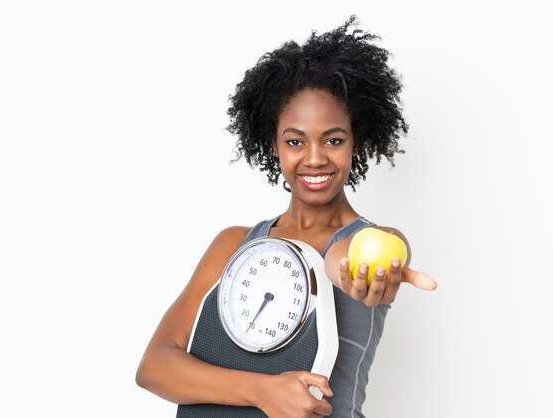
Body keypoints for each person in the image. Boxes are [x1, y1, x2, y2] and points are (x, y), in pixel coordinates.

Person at [136, 15, 437, 417]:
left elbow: (341, 259)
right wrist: (262, 391)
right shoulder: (232, 244)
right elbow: (155, 366)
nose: (314, 158)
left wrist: (353, 270)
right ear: (273, 145)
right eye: (295, 141)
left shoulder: (373, 241)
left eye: (333, 140)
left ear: (356, 143)